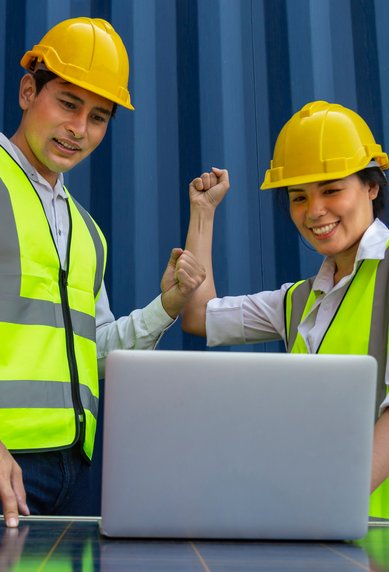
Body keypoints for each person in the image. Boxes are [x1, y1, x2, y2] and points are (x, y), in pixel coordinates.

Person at [0, 16, 206, 527]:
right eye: (68, 103)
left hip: (74, 474)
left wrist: (167, 307)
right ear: (29, 91)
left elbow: (95, 356)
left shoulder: (88, 232)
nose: (79, 129)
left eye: (99, 117)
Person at [182, 100, 389, 519]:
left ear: (372, 186)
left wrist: (327, 504)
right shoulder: (300, 301)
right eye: (298, 197)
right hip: (322, 529)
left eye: (331, 189)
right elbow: (199, 316)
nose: (314, 211)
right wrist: (203, 214)